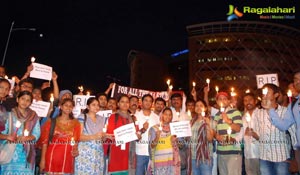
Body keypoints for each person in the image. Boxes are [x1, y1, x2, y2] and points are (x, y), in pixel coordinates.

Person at [266, 75, 300, 174]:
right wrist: (271, 109)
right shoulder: (293, 105)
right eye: (295, 79)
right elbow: (284, 125)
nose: (298, 81)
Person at [0, 91, 40, 174]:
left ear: (30, 103)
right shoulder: (9, 114)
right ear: (17, 99)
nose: (25, 102)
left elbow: (37, 133)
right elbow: (3, 132)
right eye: (23, 99)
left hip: (26, 154)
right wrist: (9, 136)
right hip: (10, 152)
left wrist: (28, 137)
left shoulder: (33, 115)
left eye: (28, 100)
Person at [39, 98, 81, 174]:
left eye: (71, 106)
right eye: (66, 105)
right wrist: (42, 160)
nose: (68, 107)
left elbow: (75, 141)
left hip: (68, 157)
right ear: (61, 107)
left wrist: (75, 150)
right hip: (52, 155)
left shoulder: (76, 123)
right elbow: (45, 142)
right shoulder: (51, 122)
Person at [258, 83, 291, 175]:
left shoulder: (285, 111)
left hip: (281, 156)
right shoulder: (259, 112)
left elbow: (292, 133)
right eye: (263, 92)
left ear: (276, 95)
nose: (264, 94)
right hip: (264, 156)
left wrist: (295, 156)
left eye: (267, 92)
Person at [106, 94, 138, 175]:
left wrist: (138, 135)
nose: (125, 104)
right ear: (118, 104)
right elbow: (110, 134)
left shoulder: (133, 118)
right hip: (117, 151)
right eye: (122, 102)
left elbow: (136, 133)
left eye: (127, 102)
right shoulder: (113, 117)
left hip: (129, 151)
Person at [75, 97, 106, 175]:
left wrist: (105, 136)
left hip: (98, 152)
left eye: (98, 105)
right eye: (93, 105)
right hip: (85, 153)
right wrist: (94, 136)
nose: (96, 107)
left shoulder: (102, 119)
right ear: (88, 106)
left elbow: (101, 137)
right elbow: (79, 136)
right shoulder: (82, 117)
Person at [214, 91, 243, 175]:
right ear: (217, 101)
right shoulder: (216, 115)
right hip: (221, 151)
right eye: (220, 99)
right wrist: (216, 136)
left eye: (225, 99)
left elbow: (238, 128)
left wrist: (228, 121)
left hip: (233, 151)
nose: (222, 101)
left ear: (229, 101)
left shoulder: (235, 112)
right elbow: (215, 131)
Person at [148, 107, 181, 175]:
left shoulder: (175, 128)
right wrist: (157, 137)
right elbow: (152, 146)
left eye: (170, 115)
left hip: (172, 161)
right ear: (162, 115)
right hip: (159, 161)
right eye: (166, 114)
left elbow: (181, 146)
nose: (168, 116)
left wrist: (176, 141)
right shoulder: (154, 128)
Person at [187, 99, 215, 175]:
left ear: (205, 108)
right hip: (193, 156)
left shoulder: (210, 120)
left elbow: (210, 139)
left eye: (201, 106)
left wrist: (208, 125)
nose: (198, 107)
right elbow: (188, 139)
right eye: (196, 106)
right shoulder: (191, 121)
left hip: (205, 157)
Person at [135, 94, 159, 175]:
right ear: (141, 102)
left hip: (152, 152)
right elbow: (133, 134)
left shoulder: (156, 117)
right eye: (146, 100)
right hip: (139, 151)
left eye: (150, 101)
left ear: (152, 103)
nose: (148, 103)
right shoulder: (135, 116)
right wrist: (142, 130)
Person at [242, 93, 260, 175]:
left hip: (260, 153)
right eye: (245, 101)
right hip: (248, 153)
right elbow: (241, 134)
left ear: (255, 101)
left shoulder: (261, 114)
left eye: (250, 100)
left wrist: (254, 134)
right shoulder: (244, 117)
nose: (248, 102)